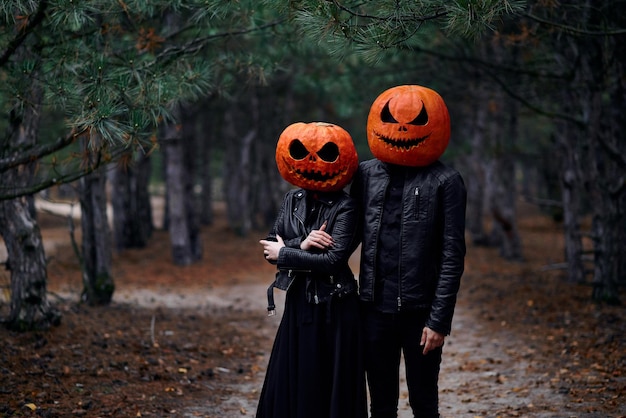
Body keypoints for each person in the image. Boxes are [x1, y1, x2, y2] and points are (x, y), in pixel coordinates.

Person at [350, 85, 467, 418]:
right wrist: (297, 247)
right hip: (373, 310)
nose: (401, 129)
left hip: (421, 315)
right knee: (381, 405)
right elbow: (348, 234)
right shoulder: (366, 174)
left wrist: (439, 321)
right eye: (390, 118)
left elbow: (451, 257)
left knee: (424, 403)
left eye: (414, 120)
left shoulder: (446, 181)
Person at [256, 121, 367, 418]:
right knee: (298, 381)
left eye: (327, 153)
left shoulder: (347, 207)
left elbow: (332, 260)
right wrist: (301, 247)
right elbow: (270, 247)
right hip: (299, 303)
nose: (313, 162)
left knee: (329, 386)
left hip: (336, 306)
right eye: (301, 152)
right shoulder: (292, 199)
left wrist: (286, 251)